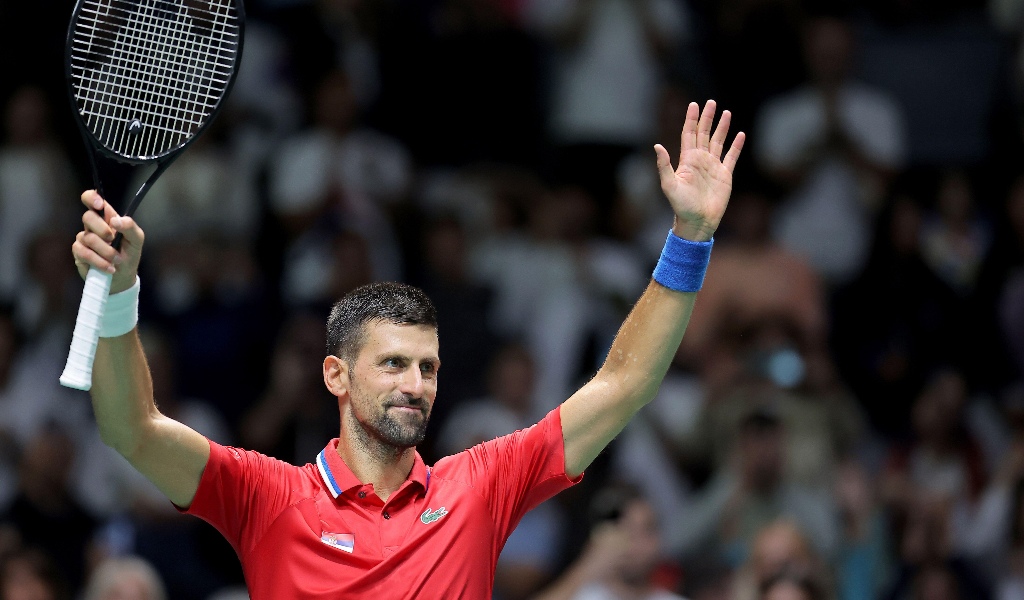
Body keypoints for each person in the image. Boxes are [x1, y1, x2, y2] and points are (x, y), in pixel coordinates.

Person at [68, 101, 744, 598]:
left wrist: (689, 237)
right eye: (393, 363)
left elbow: (624, 385)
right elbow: (131, 428)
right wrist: (119, 295)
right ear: (335, 374)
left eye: (427, 367)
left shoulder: (480, 486)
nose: (416, 383)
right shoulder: (267, 498)